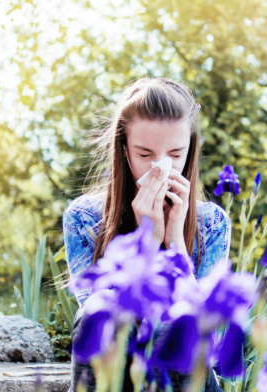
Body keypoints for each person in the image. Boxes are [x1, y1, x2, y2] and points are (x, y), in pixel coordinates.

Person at [63, 77, 231, 391]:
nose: (161, 169)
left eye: (175, 155)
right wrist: (146, 239)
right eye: (145, 155)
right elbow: (100, 323)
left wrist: (176, 241)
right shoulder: (84, 218)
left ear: (190, 151)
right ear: (124, 151)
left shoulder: (211, 222)